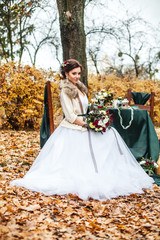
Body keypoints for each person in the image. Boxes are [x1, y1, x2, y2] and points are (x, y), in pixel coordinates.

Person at [10, 59, 154, 201]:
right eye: (74, 73)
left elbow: (86, 108)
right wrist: (88, 125)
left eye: (79, 73)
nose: (77, 76)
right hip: (74, 126)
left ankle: (105, 172)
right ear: (66, 73)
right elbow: (71, 115)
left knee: (111, 133)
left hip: (85, 121)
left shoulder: (80, 87)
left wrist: (97, 119)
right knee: (103, 137)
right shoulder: (66, 91)